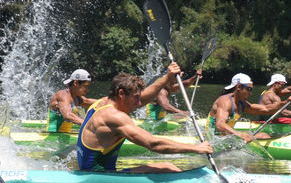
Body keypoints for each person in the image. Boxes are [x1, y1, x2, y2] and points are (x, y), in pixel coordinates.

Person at [76, 63, 212, 173]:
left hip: (90, 171)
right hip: (99, 177)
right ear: (121, 93)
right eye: (135, 98)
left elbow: (143, 98)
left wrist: (167, 78)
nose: (138, 103)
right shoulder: (115, 117)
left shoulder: (101, 103)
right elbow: (153, 144)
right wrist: (196, 148)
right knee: (168, 167)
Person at [206, 73, 291, 143]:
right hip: (214, 140)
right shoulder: (225, 101)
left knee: (264, 135)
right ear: (238, 87)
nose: (251, 93)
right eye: (249, 89)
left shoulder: (241, 103)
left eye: (251, 90)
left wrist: (285, 102)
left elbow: (265, 109)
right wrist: (240, 134)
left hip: (227, 137)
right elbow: (220, 125)